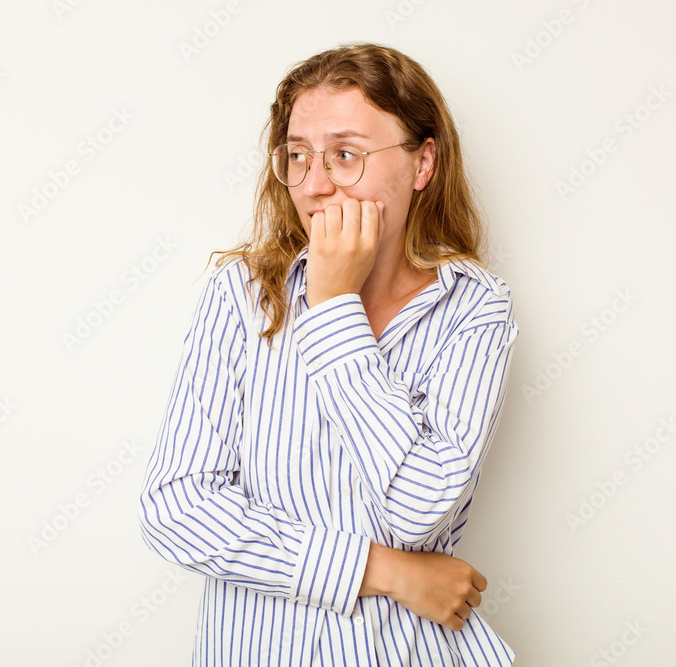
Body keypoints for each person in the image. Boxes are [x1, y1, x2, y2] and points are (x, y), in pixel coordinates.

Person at [139, 42, 519, 666]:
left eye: (346, 154)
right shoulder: (242, 295)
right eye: (298, 156)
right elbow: (176, 510)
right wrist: (388, 572)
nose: (315, 186)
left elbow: (419, 510)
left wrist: (335, 306)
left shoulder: (475, 307)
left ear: (423, 163)